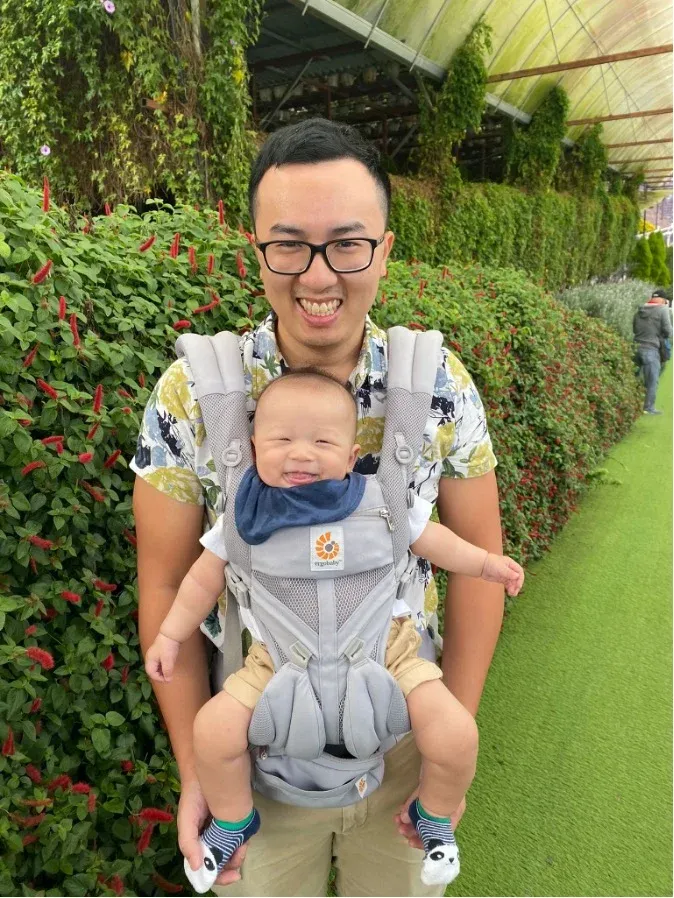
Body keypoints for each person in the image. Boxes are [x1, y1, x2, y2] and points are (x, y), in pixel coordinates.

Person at [131, 117, 506, 897]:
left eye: (347, 243)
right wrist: (199, 767)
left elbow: (476, 560)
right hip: (257, 744)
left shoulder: (439, 385)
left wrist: (448, 748)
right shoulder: (192, 395)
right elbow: (167, 583)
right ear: (257, 247)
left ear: (385, 248)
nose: (317, 275)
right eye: (289, 244)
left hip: (402, 726)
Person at [143, 369, 524, 893]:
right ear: (254, 449)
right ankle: (234, 821)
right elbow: (198, 582)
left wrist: (486, 565)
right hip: (278, 661)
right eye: (281, 440)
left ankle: (433, 816)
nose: (301, 453)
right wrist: (168, 637)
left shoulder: (382, 501)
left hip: (386, 653)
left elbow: (437, 540)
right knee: (210, 734)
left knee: (457, 733)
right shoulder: (242, 516)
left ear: (351, 457)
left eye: (322, 441)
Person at [632, 288, 672, 414]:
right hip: (651, 348)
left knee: (634, 379)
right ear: (663, 300)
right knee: (652, 380)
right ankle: (648, 408)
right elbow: (668, 331)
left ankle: (631, 405)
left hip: (635, 347)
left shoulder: (639, 311)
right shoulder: (663, 309)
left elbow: (634, 329)